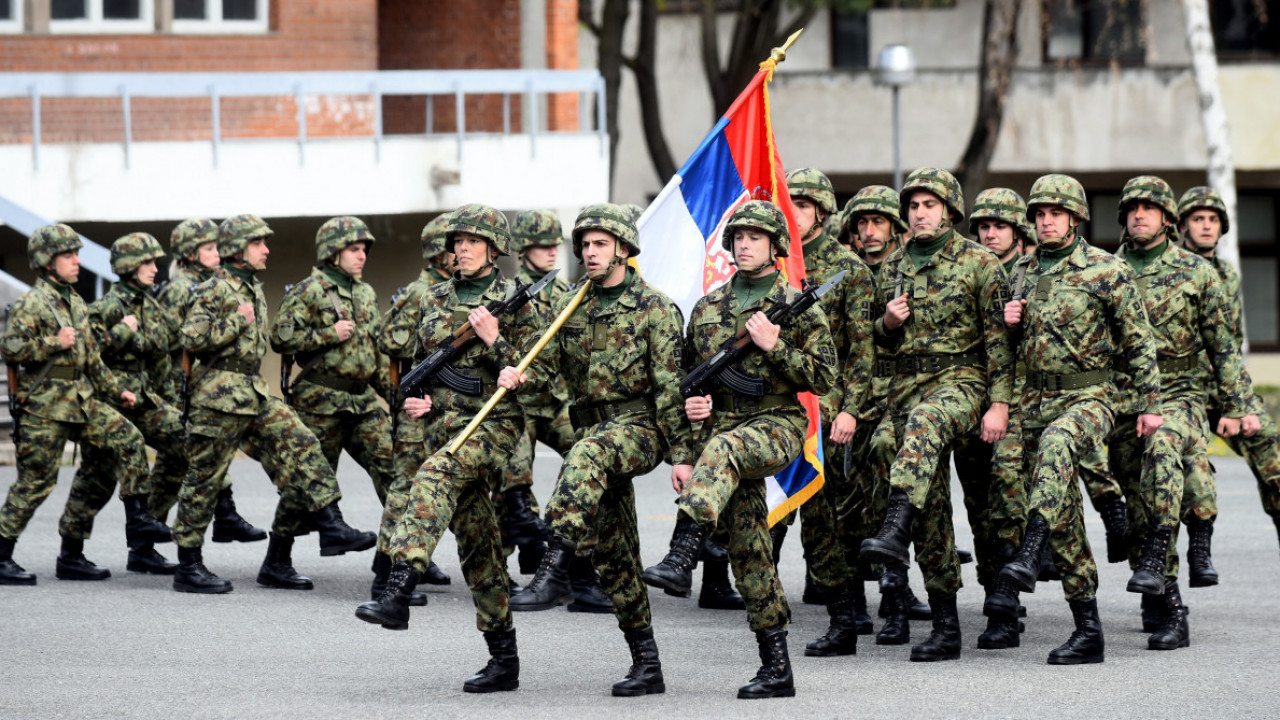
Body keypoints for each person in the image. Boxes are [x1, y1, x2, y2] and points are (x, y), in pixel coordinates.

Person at [643, 200, 837, 699]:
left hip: (776, 422)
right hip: (720, 436)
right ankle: (777, 668)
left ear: (775, 246)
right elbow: (686, 385)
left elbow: (823, 377)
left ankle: (685, 546)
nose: (746, 244)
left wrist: (776, 345)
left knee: (728, 446)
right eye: (739, 237)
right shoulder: (708, 307)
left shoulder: (796, 303)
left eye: (756, 236)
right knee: (750, 548)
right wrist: (685, 443)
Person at [505, 203, 690, 695]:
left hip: (639, 427)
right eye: (584, 245)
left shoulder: (655, 307)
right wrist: (517, 372)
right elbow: (545, 374)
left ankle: (554, 562)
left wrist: (685, 455)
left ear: (625, 250)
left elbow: (672, 389)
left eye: (600, 244)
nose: (589, 252)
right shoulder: (572, 305)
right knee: (616, 553)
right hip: (593, 429)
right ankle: (646, 664)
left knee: (585, 454)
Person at [356, 204, 540, 694]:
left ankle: (398, 586)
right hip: (444, 426)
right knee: (479, 545)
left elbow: (539, 375)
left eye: (472, 241)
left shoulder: (515, 299)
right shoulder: (434, 297)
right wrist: (422, 402)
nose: (461, 248)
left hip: (494, 425)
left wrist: (496, 340)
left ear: (494, 248)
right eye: (457, 241)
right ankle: (504, 660)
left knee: (433, 475)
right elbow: (427, 362)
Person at [997, 174, 1161, 664]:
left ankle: (1029, 549)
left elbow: (1138, 340)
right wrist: (1010, 323)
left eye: (1055, 213)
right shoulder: (1023, 271)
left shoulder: (1106, 270)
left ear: (1075, 218)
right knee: (1065, 515)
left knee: (1058, 443)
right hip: (1034, 401)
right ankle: (1087, 629)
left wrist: (1150, 403)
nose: (1046, 221)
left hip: (1091, 396)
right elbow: (1006, 352)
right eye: (1039, 214)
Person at [172, 214, 375, 594]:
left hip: (252, 390)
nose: (266, 250)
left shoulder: (251, 287)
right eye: (258, 243)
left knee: (301, 442)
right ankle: (188, 564)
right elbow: (192, 339)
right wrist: (236, 320)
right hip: (217, 398)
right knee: (204, 478)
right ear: (237, 249)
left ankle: (331, 523)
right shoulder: (213, 289)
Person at [859, 168, 1014, 662]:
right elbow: (876, 344)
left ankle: (1002, 607)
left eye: (929, 205)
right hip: (909, 386)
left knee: (985, 504)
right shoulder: (893, 266)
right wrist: (888, 322)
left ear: (949, 210)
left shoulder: (980, 263)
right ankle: (946, 625)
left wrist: (1000, 403)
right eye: (913, 206)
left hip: (964, 384)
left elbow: (1000, 343)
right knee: (890, 450)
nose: (920, 213)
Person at [1108, 175, 1253, 650]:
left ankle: (1172, 604)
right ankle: (1157, 589)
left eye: (1149, 208)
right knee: (1135, 497)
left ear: (1168, 219)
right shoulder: (1107, 270)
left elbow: (1224, 347)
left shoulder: (1197, 272)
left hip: (1180, 391)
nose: (1139, 215)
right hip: (1123, 395)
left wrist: (1234, 405)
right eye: (1132, 208)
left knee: (1164, 446)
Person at [0, 224, 154, 584]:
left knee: (128, 439)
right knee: (36, 483)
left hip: (81, 401)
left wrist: (117, 392)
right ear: (46, 261)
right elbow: (10, 349)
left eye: (77, 254)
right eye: (69, 255)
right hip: (44, 406)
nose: (77, 261)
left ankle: (135, 523)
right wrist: (53, 342)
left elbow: (92, 359)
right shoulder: (32, 303)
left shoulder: (77, 303)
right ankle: (2, 555)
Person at [782, 168, 877, 657]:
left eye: (802, 204)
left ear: (820, 210)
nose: (793, 212)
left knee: (831, 520)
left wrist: (851, 411)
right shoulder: (774, 264)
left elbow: (862, 353)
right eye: (787, 202)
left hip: (829, 409)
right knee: (773, 514)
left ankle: (847, 618)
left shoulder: (849, 269)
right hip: (779, 409)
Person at [951, 187, 1037, 649]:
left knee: (1006, 490)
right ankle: (996, 599)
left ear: (1017, 231)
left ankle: (1007, 602)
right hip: (967, 399)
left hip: (1018, 402)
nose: (989, 233)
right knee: (979, 506)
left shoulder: (1032, 272)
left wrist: (1023, 319)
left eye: (999, 226)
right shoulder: (964, 269)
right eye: (983, 225)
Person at [1177, 186, 1280, 561]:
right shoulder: (1170, 267)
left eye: (1213, 220)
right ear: (1183, 226)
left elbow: (1231, 344)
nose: (1206, 226)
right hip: (1179, 387)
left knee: (1270, 448)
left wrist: (1240, 404)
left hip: (1221, 388)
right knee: (1185, 471)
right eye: (1197, 219)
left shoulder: (1226, 274)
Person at [82, 233, 190, 575]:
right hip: (109, 401)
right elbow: (87, 352)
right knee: (95, 481)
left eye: (155, 262)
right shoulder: (106, 307)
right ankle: (70, 553)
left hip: (144, 401)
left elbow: (161, 361)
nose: (155, 269)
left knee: (184, 438)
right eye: (147, 262)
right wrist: (122, 332)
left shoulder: (153, 308)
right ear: (129, 266)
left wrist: (173, 404)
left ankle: (143, 542)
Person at [156, 218, 265, 544]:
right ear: (189, 254)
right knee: (180, 466)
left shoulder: (213, 284)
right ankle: (146, 534)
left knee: (182, 464)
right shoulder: (180, 290)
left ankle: (222, 517)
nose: (217, 253)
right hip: (180, 386)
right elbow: (177, 341)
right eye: (208, 248)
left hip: (194, 384)